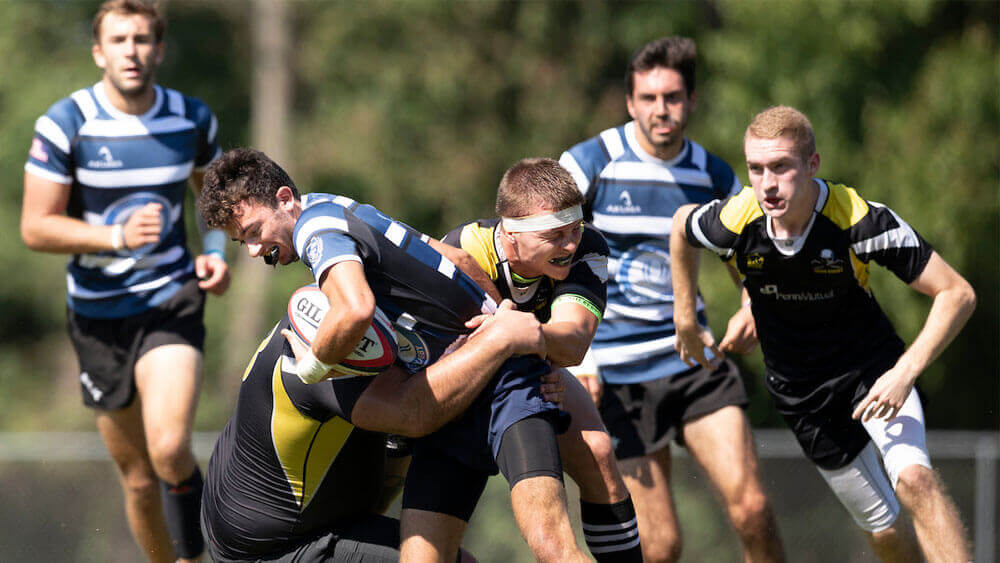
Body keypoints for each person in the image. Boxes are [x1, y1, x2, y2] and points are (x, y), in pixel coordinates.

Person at [198, 148, 640, 563]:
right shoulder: (343, 206)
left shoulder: (316, 227)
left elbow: (354, 308)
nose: (255, 250)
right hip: (452, 395)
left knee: (552, 545)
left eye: (254, 232)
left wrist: (313, 363)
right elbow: (457, 260)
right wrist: (499, 313)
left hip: (503, 385)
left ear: (284, 199)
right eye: (243, 242)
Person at [672, 105, 975, 562]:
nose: (767, 184)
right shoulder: (737, 219)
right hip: (803, 397)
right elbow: (681, 227)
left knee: (916, 480)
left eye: (781, 167)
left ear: (812, 165)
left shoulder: (859, 220)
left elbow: (957, 293)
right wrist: (688, 319)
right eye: (755, 169)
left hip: (874, 373)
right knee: (886, 532)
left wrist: (904, 372)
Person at [558, 37, 784, 562]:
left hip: (692, 361)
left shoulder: (713, 175)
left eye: (674, 97)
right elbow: (543, 252)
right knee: (659, 548)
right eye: (650, 98)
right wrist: (579, 356)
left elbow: (749, 259)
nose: (662, 109)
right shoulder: (589, 163)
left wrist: (753, 303)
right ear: (630, 102)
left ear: (692, 100)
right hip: (613, 374)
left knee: (753, 509)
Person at [20, 1, 227, 561]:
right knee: (138, 479)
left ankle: (201, 557)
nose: (131, 52)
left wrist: (213, 252)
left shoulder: (192, 119)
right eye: (118, 40)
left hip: (170, 301)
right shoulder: (66, 124)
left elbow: (214, 202)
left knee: (169, 447)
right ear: (98, 51)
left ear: (159, 49)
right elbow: (35, 227)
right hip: (97, 317)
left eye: (141, 40)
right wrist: (114, 238)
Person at [202, 285, 553, 562]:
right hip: (278, 548)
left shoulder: (325, 315)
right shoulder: (320, 372)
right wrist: (500, 340)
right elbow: (414, 412)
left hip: (242, 524)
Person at [442, 157, 642, 559]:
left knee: (600, 453)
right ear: (511, 234)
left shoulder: (588, 246)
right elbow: (444, 353)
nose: (570, 244)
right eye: (555, 235)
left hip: (530, 373)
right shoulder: (465, 250)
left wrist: (529, 347)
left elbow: (571, 342)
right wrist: (531, 351)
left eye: (575, 228)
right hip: (458, 388)